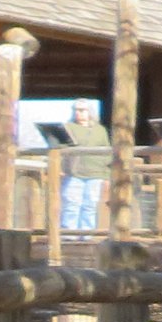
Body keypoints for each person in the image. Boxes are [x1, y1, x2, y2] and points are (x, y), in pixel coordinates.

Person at [56, 99, 111, 232]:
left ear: (89, 112)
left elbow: (107, 153)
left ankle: (87, 234)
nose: (78, 113)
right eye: (75, 110)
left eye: (82, 110)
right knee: (71, 205)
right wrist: (60, 168)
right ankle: (69, 234)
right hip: (74, 173)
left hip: (95, 173)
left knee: (90, 206)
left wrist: (107, 175)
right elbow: (60, 150)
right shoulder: (68, 128)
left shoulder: (100, 130)